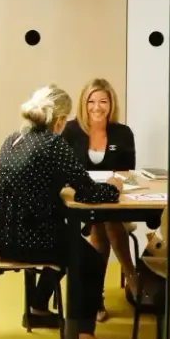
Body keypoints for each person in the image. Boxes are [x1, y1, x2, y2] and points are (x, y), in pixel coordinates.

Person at [0, 84, 125, 339]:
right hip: (29, 241)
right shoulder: (53, 144)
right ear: (60, 120)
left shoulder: (13, 138)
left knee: (68, 243)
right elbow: (90, 192)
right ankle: (84, 338)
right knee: (89, 259)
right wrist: (114, 186)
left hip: (1, 237)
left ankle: (38, 309)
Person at [60, 78, 150, 313]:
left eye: (103, 101)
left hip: (112, 199)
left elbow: (127, 172)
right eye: (91, 101)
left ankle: (95, 298)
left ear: (111, 104)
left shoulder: (122, 133)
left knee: (104, 221)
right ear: (83, 103)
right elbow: (62, 171)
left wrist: (116, 184)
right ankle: (131, 276)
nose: (97, 107)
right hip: (80, 200)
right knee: (104, 221)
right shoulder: (70, 131)